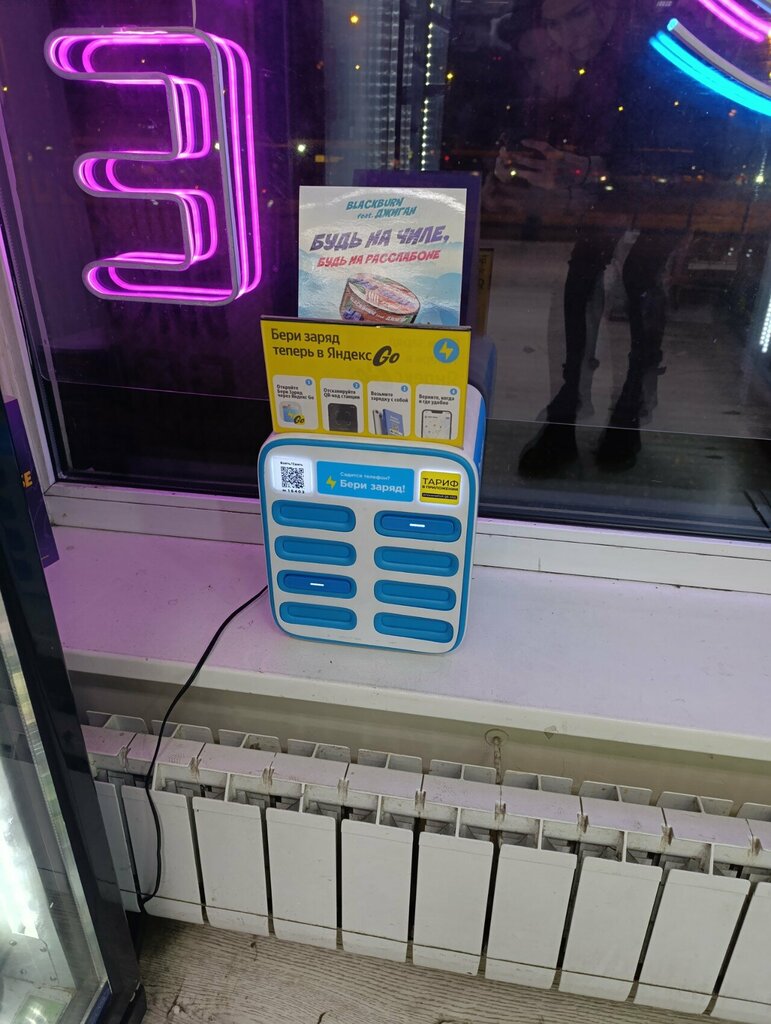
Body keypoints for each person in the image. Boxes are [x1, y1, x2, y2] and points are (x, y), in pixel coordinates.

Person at [489, 0, 680, 473]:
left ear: (606, 10)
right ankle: (589, 408)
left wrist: (585, 170)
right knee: (591, 279)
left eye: (574, 16)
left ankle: (618, 408)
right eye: (554, 24)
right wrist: (520, 164)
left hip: (668, 192)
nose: (564, 34)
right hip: (621, 193)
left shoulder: (651, 52)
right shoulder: (594, 61)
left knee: (637, 279)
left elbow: (676, 152)